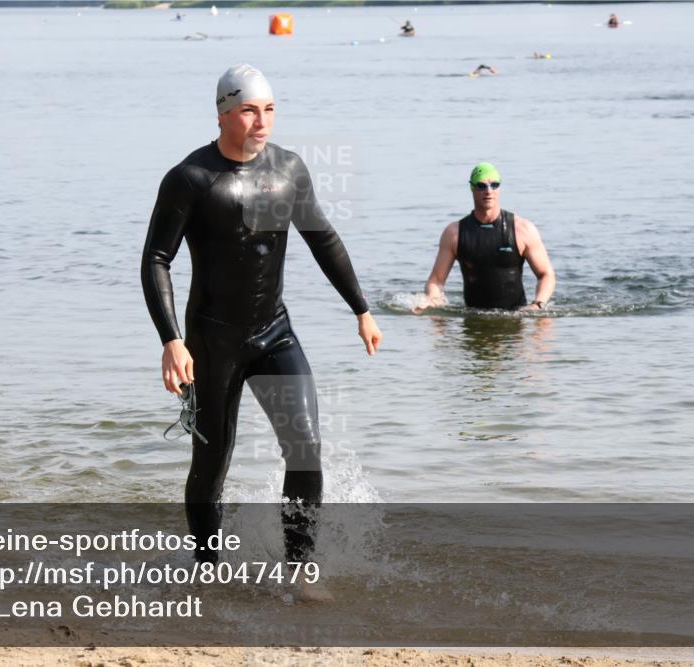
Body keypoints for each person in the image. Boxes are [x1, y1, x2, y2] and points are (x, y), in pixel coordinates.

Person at [141, 64, 382, 579]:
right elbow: (156, 259)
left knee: (306, 448)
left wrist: (361, 309)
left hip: (275, 333)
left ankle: (300, 572)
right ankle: (206, 569)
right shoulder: (191, 178)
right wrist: (172, 341)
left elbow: (323, 238)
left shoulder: (288, 169)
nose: (262, 121)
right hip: (211, 342)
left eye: (269, 109)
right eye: (249, 110)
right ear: (223, 114)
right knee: (212, 463)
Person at [413, 162, 556, 312]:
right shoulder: (454, 233)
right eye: (481, 186)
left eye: (494, 185)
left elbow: (546, 274)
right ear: (472, 188)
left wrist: (538, 304)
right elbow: (436, 280)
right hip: (472, 317)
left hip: (515, 318)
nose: (489, 191)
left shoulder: (523, 229)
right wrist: (432, 301)